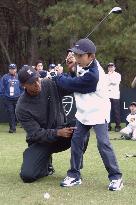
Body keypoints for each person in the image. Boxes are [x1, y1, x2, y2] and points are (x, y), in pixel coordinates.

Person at [54, 38, 123, 191]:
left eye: (80, 56)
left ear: (91, 56)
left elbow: (70, 84)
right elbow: (74, 76)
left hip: (98, 112)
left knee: (103, 143)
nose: (77, 58)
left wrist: (58, 75)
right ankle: (74, 175)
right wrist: (71, 69)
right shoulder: (81, 64)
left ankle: (116, 177)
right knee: (76, 141)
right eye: (76, 55)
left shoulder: (94, 75)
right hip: (83, 112)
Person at [15, 66, 88, 183]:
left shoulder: (49, 84)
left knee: (81, 125)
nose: (37, 84)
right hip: (41, 142)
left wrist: (73, 71)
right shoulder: (22, 107)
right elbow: (35, 134)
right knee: (27, 176)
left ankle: (75, 169)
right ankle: (45, 164)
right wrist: (57, 133)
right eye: (32, 83)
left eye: (37, 79)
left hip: (62, 136)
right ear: (23, 85)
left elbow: (73, 86)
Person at [1, 64, 22, 133]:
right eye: (11, 69)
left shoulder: (19, 77)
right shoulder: (5, 77)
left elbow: (22, 87)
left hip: (17, 98)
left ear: (16, 69)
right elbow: (1, 87)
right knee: (10, 112)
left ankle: (18, 124)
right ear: (9, 69)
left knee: (18, 113)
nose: (12, 70)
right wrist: (3, 95)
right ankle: (12, 128)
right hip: (8, 98)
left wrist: (21, 95)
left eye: (13, 69)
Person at [106, 62, 121, 132]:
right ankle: (108, 126)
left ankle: (118, 126)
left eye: (112, 67)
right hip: (107, 95)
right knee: (107, 111)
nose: (110, 68)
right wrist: (109, 80)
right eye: (109, 67)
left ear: (114, 68)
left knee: (116, 111)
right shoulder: (105, 75)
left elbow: (115, 82)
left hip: (115, 95)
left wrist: (109, 79)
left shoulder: (118, 75)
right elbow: (104, 84)